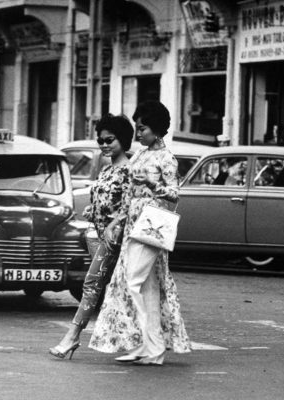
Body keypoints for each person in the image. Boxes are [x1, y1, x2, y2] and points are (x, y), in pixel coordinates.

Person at [89, 100, 191, 365]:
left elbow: (175, 195)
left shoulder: (166, 158)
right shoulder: (142, 155)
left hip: (151, 226)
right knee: (147, 288)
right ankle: (151, 349)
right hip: (133, 226)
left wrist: (152, 183)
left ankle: (143, 342)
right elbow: (129, 195)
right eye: (137, 127)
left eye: (143, 128)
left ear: (156, 129)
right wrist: (117, 221)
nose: (138, 133)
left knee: (132, 283)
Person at [49, 114, 133, 360]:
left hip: (114, 239)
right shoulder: (107, 169)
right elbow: (105, 200)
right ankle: (147, 339)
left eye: (110, 139)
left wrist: (114, 223)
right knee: (116, 289)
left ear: (123, 140)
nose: (105, 144)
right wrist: (91, 211)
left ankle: (72, 336)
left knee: (92, 284)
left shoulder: (129, 170)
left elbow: (130, 206)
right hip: (96, 235)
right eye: (101, 140)